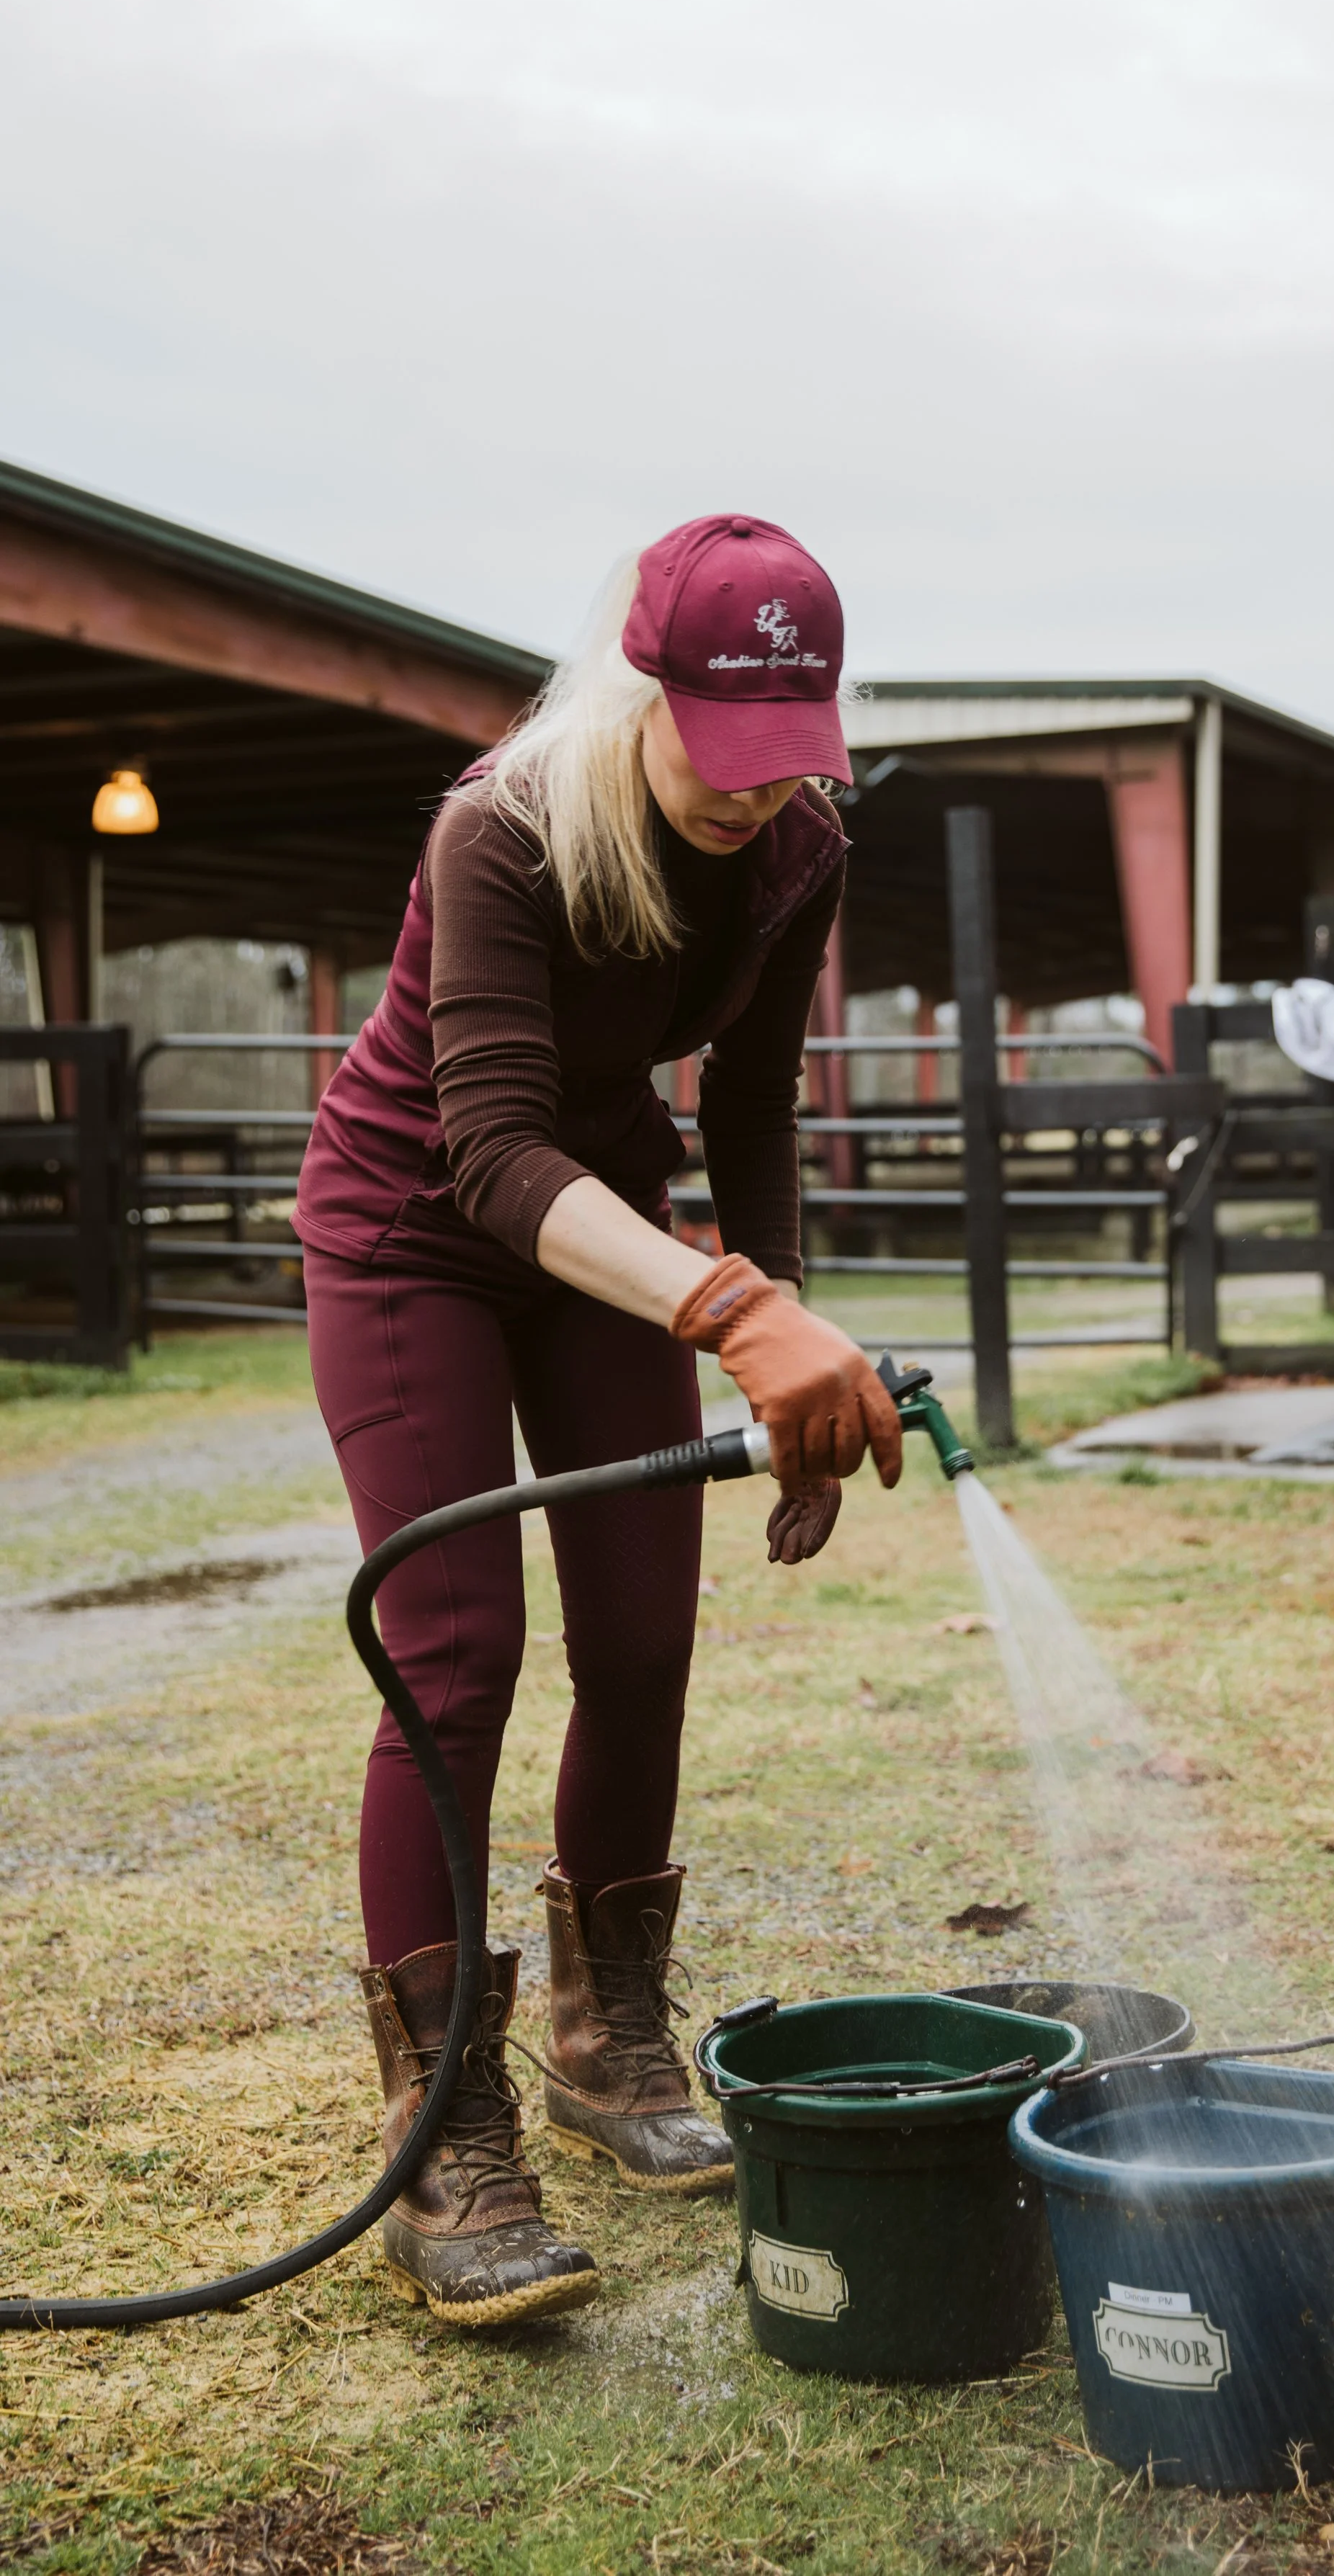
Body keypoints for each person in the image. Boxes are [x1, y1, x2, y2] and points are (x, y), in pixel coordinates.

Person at [294, 515, 902, 2327]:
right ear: (641, 688)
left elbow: (760, 1098)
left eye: (779, 757)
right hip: (420, 1225)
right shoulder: (503, 826)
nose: (744, 796)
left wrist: (771, 1318)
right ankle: (443, 2118)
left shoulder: (798, 847)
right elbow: (485, 1150)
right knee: (457, 1651)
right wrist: (732, 1309)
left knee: (641, 1635)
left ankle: (606, 2028)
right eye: (715, 753)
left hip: (608, 1232)